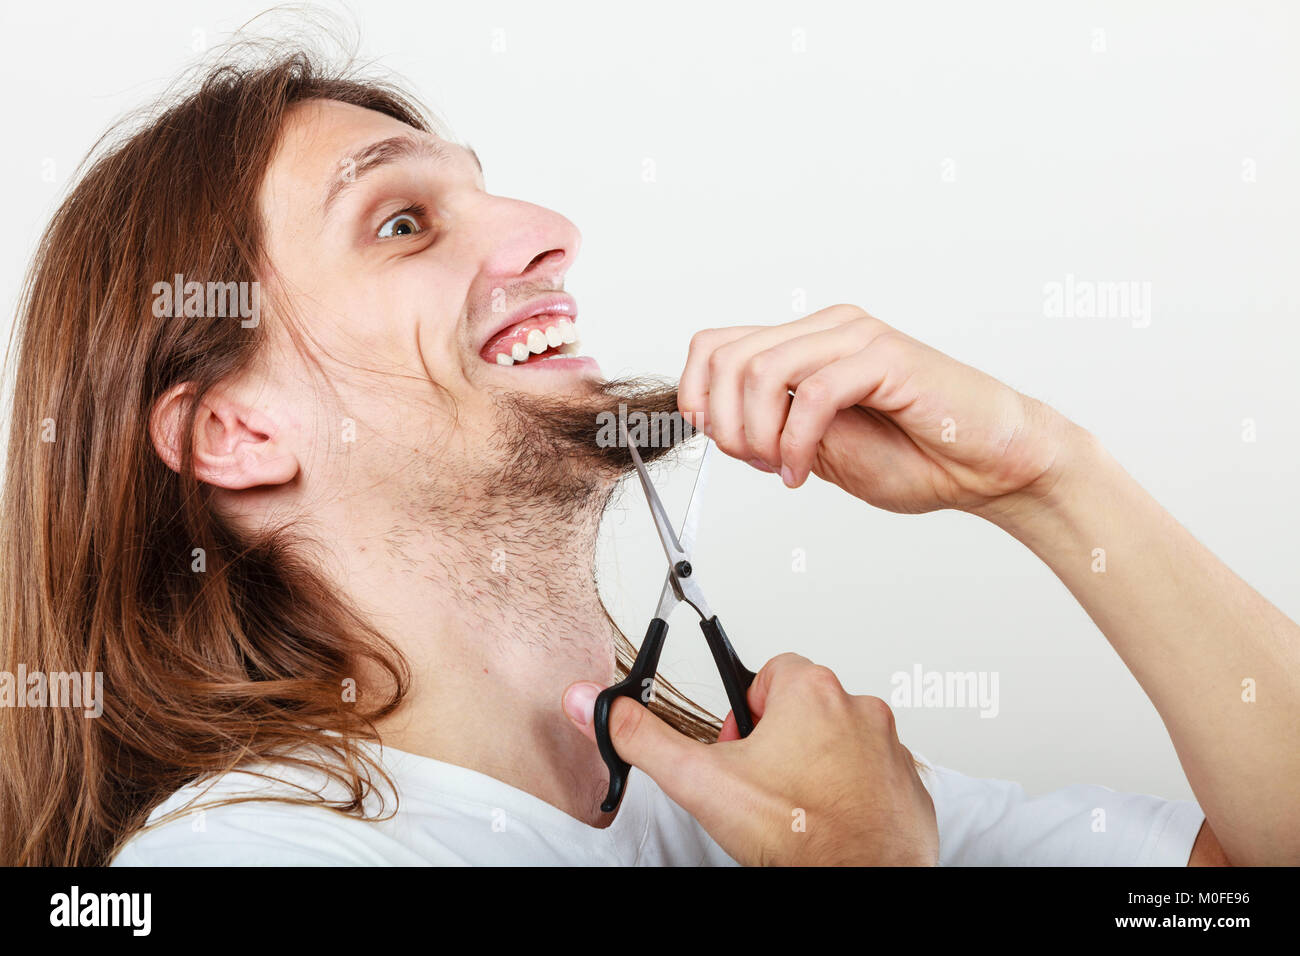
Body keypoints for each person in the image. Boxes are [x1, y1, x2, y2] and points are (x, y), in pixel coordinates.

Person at [2, 47, 1289, 867]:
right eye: (402, 221)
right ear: (235, 431)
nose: (547, 231)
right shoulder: (253, 858)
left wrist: (1045, 476)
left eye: (490, 189)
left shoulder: (765, 778)